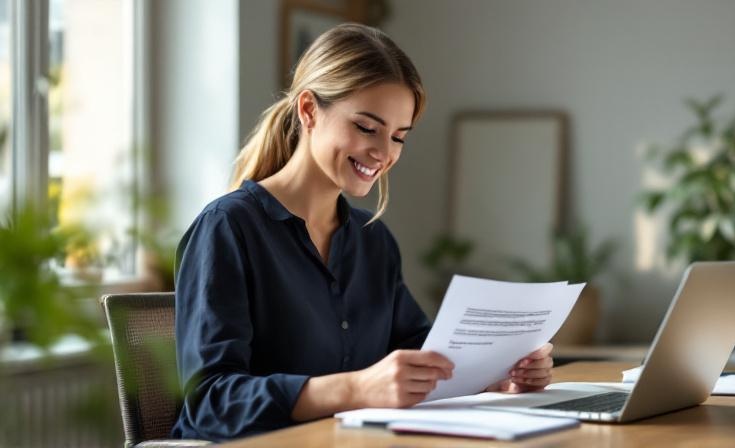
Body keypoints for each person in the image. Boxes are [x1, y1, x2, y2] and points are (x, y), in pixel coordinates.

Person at [171, 23, 554, 442]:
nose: (385, 153)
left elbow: (424, 354)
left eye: (398, 137)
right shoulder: (228, 228)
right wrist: (355, 388)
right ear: (309, 111)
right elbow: (210, 402)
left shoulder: (373, 241)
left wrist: (501, 371)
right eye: (367, 128)